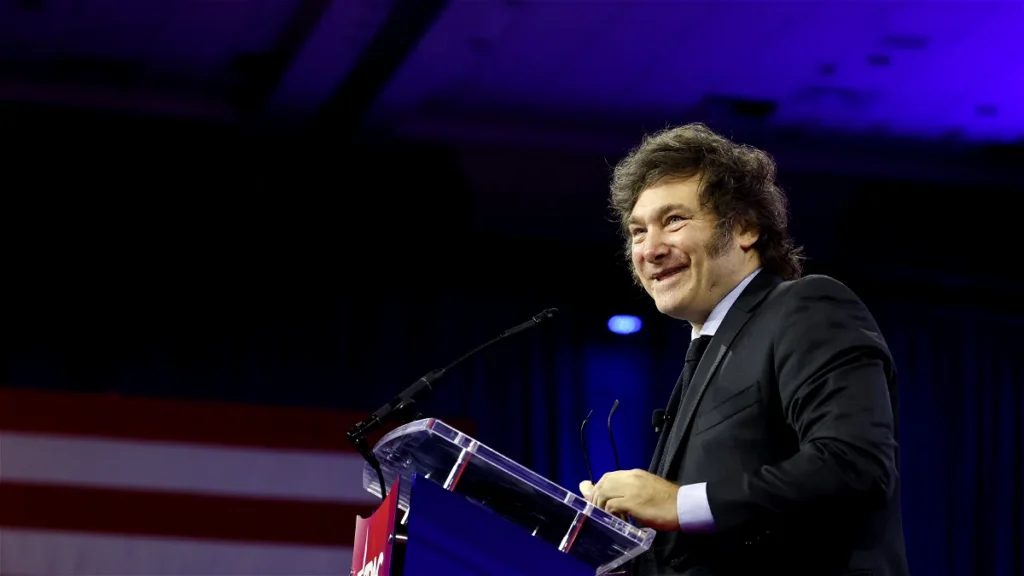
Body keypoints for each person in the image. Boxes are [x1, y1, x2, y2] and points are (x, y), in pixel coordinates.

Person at [579, 123, 909, 575]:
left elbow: (854, 466)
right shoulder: (707, 351)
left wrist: (679, 502)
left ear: (745, 228)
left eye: (674, 220)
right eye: (637, 231)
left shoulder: (806, 307)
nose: (649, 249)